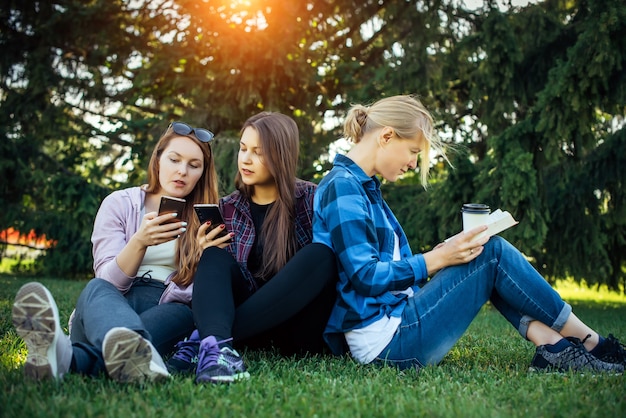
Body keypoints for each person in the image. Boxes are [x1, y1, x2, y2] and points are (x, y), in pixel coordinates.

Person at [312, 95, 626, 373]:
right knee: (492, 253)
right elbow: (365, 276)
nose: (412, 162)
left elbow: (384, 270)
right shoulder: (343, 186)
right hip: (388, 346)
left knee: (480, 249)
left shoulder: (363, 188)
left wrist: (445, 254)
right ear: (387, 136)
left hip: (395, 324)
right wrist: (437, 259)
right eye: (413, 151)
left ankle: (554, 347)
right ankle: (592, 343)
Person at [12, 121, 220, 383]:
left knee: (182, 313)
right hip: (109, 302)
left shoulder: (204, 218)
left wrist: (205, 257)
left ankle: (68, 357)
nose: (182, 171)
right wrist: (139, 242)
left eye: (193, 165)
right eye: (174, 159)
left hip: (167, 306)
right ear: (157, 160)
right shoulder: (119, 203)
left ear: (202, 172)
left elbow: (202, 297)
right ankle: (139, 355)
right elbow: (110, 281)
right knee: (97, 287)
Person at [166, 111, 338, 384]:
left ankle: (203, 343)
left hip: (299, 329)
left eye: (258, 152)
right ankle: (218, 348)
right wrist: (202, 254)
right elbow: (216, 284)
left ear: (281, 155)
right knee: (213, 254)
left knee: (321, 256)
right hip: (246, 332)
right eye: (243, 148)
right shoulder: (227, 208)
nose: (245, 159)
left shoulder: (312, 199)